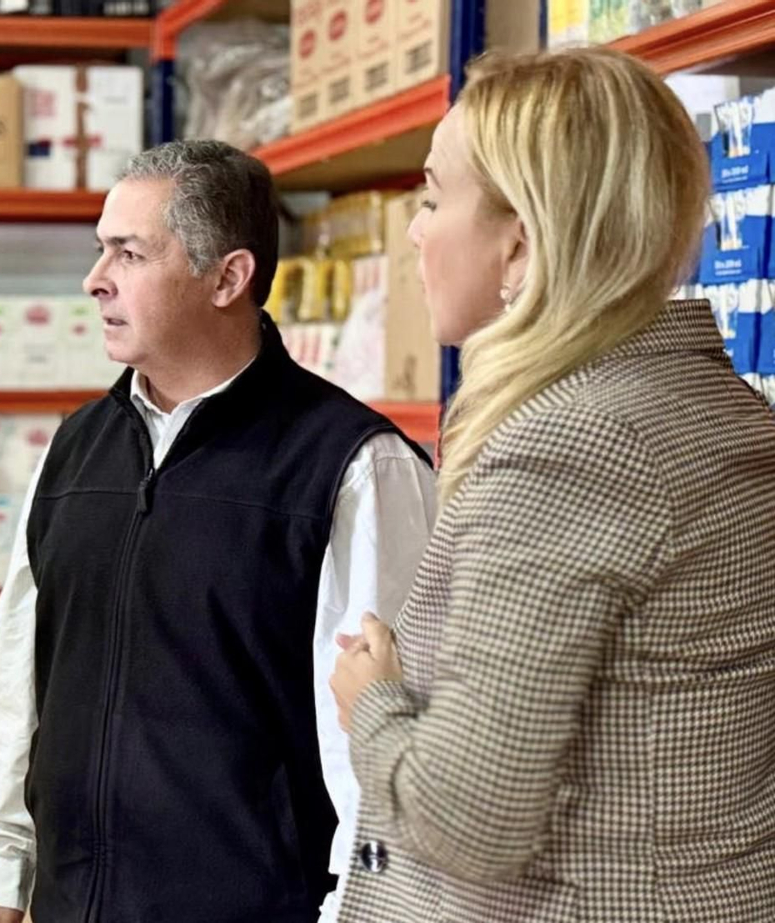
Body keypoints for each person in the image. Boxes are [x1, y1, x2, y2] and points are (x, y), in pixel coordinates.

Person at [330, 47, 775, 922]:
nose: (415, 231)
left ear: (521, 239)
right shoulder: (725, 411)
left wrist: (370, 699)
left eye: (430, 198)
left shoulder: (571, 447)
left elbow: (467, 819)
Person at [0, 140, 439, 923]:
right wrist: (2, 877)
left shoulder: (355, 468)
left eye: (129, 252)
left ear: (228, 277)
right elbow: (25, 681)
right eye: (100, 251)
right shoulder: (74, 449)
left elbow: (378, 749)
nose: (95, 280)